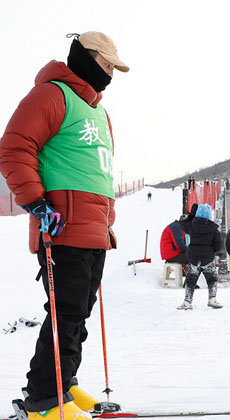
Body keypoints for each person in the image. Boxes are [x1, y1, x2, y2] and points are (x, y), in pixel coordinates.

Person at [0, 32, 128, 420]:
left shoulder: (99, 113)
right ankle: (44, 399)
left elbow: (97, 170)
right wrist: (36, 203)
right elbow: (14, 147)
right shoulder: (51, 95)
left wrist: (107, 218)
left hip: (94, 228)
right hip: (62, 225)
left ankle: (63, 382)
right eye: (106, 65)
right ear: (86, 59)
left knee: (78, 313)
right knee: (65, 313)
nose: (110, 73)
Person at [178, 203, 224, 309]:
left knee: (190, 280)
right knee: (212, 279)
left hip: (193, 257)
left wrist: (191, 215)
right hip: (207, 259)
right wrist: (218, 253)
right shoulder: (213, 229)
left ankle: (187, 302)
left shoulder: (192, 225)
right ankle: (212, 299)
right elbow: (218, 246)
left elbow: (183, 225)